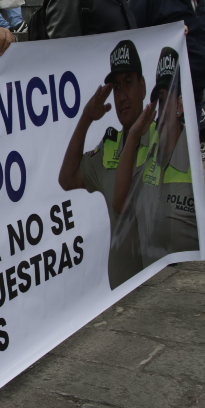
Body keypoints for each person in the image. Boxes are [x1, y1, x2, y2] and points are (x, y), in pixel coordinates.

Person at [59, 40, 150, 290]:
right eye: (117, 87)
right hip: (121, 292)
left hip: (161, 287)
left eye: (128, 83)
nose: (122, 96)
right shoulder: (110, 147)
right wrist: (87, 117)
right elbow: (67, 179)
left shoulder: (163, 140)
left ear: (143, 87)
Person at [112, 47, 199, 266]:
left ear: (180, 105)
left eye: (165, 100)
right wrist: (132, 137)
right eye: (158, 102)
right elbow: (120, 204)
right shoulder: (146, 141)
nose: (160, 110)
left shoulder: (189, 153)